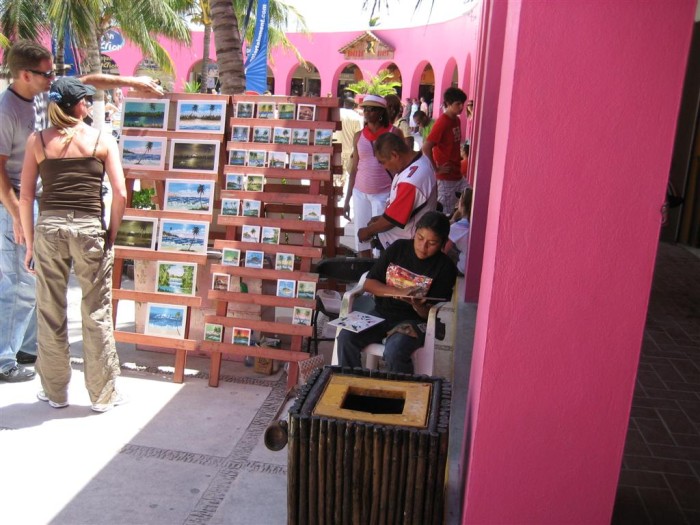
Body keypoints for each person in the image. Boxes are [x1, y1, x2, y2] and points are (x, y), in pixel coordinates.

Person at [0, 39, 161, 384]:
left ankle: (30, 350)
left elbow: (88, 81)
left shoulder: (46, 95)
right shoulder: (7, 111)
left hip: (43, 203)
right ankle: (3, 358)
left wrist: (134, 83)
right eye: (46, 74)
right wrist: (16, 215)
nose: (53, 78)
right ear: (25, 74)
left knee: (38, 284)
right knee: (16, 282)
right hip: (13, 201)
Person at [19, 77, 127, 411]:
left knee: (50, 311)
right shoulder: (100, 140)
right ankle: (101, 395)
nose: (88, 104)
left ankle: (55, 393)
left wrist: (29, 243)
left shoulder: (37, 141)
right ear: (77, 105)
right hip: (88, 229)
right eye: (85, 100)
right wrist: (111, 232)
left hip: (49, 228)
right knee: (96, 311)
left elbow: (25, 195)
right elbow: (120, 193)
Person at [337, 211, 457, 374]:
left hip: (414, 322)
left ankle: (399, 395)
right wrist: (397, 291)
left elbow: (429, 314)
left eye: (432, 243)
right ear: (415, 232)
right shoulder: (399, 248)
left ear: (443, 243)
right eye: (420, 238)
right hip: (380, 313)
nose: (423, 247)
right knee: (346, 337)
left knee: (395, 351)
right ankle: (350, 385)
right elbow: (369, 284)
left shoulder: (445, 267)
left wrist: (417, 305)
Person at [343, 95, 403, 257]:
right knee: (362, 237)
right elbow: (354, 169)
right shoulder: (358, 136)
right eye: (365, 109)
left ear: (381, 112)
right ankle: (365, 273)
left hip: (384, 193)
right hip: (360, 192)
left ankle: (378, 272)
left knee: (382, 237)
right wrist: (347, 199)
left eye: (373, 109)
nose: (368, 112)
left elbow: (402, 164)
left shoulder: (394, 133)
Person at [357, 132, 437, 250]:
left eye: (383, 162)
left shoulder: (412, 180)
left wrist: (368, 231)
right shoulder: (418, 160)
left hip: (406, 248)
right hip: (402, 242)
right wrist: (381, 218)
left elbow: (394, 219)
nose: (384, 168)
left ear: (394, 155)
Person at [422, 87, 468, 215]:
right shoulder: (442, 122)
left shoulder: (456, 120)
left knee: (470, 200)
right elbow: (426, 147)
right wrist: (436, 169)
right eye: (457, 104)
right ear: (447, 104)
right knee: (445, 213)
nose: (461, 107)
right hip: (446, 177)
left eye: (462, 104)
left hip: (457, 173)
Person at [444, 188, 473, 275]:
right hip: (475, 265)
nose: (457, 203)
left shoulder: (458, 227)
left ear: (462, 204)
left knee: (444, 244)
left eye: (459, 200)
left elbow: (443, 250)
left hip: (463, 268)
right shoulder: (476, 221)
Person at [337, 97, 363, 188]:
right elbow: (360, 135)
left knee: (334, 171)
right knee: (344, 173)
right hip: (349, 149)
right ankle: (340, 189)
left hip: (334, 146)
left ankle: (335, 189)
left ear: (344, 104)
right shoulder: (358, 118)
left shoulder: (337, 113)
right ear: (353, 106)